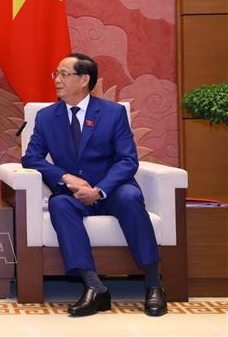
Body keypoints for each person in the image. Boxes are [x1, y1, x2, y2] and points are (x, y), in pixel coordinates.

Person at [22, 53, 166, 317]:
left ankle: (153, 284)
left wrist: (99, 190)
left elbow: (127, 160)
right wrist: (65, 178)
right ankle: (94, 286)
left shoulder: (113, 113)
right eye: (56, 74)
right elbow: (31, 157)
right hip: (72, 193)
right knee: (59, 204)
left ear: (84, 79)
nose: (57, 80)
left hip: (112, 190)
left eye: (64, 74)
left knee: (130, 198)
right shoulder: (46, 117)